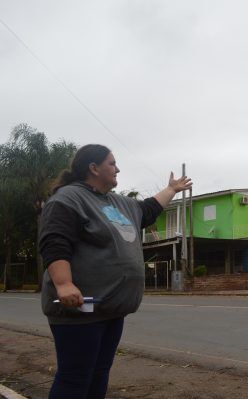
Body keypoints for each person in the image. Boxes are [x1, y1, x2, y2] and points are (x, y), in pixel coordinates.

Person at [39, 144, 192, 399]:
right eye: (112, 163)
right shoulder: (69, 198)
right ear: (94, 168)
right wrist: (64, 283)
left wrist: (172, 189)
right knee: (75, 376)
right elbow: (55, 242)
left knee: (99, 373)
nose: (117, 168)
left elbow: (149, 209)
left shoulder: (119, 203)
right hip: (81, 310)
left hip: (111, 309)